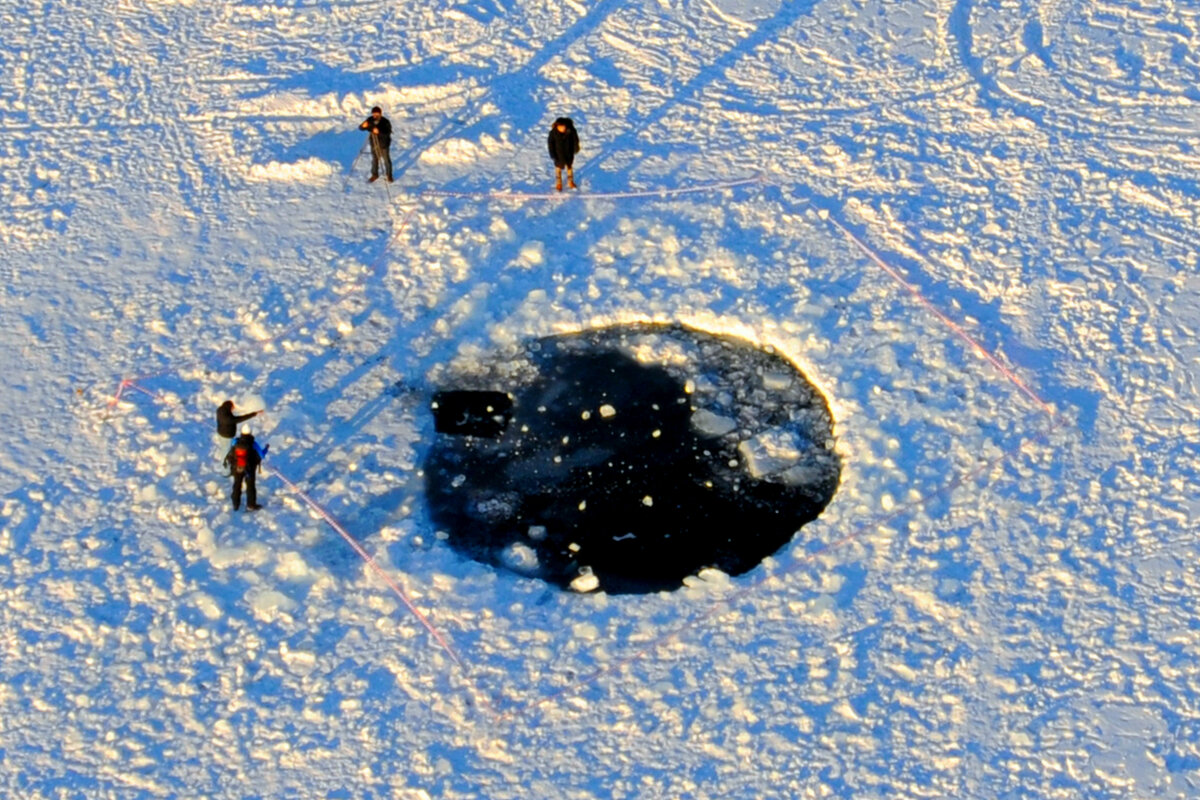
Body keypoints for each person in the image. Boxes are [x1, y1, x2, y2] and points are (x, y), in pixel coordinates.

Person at [223, 427, 268, 511]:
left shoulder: (235, 441)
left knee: (237, 484)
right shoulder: (253, 444)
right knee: (250, 486)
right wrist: (266, 449)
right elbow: (261, 455)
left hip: (237, 467)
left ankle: (235, 504)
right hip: (249, 468)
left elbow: (230, 452)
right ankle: (251, 505)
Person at [359, 106, 393, 183]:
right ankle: (374, 174)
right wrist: (362, 126)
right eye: (374, 114)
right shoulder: (370, 120)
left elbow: (387, 133)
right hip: (374, 143)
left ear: (380, 114)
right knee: (375, 160)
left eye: (377, 114)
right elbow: (362, 127)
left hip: (384, 143)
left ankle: (389, 175)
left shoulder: (385, 122)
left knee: (386, 160)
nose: (375, 116)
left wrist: (379, 132)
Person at [547, 117, 579, 191]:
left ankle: (570, 181)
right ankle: (559, 183)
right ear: (557, 126)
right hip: (558, 154)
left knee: (569, 167)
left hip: (568, 152)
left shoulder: (571, 131)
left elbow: (575, 140)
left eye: (563, 127)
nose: (562, 129)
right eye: (561, 127)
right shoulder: (553, 133)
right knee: (558, 168)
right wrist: (552, 153)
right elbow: (550, 144)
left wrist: (575, 148)